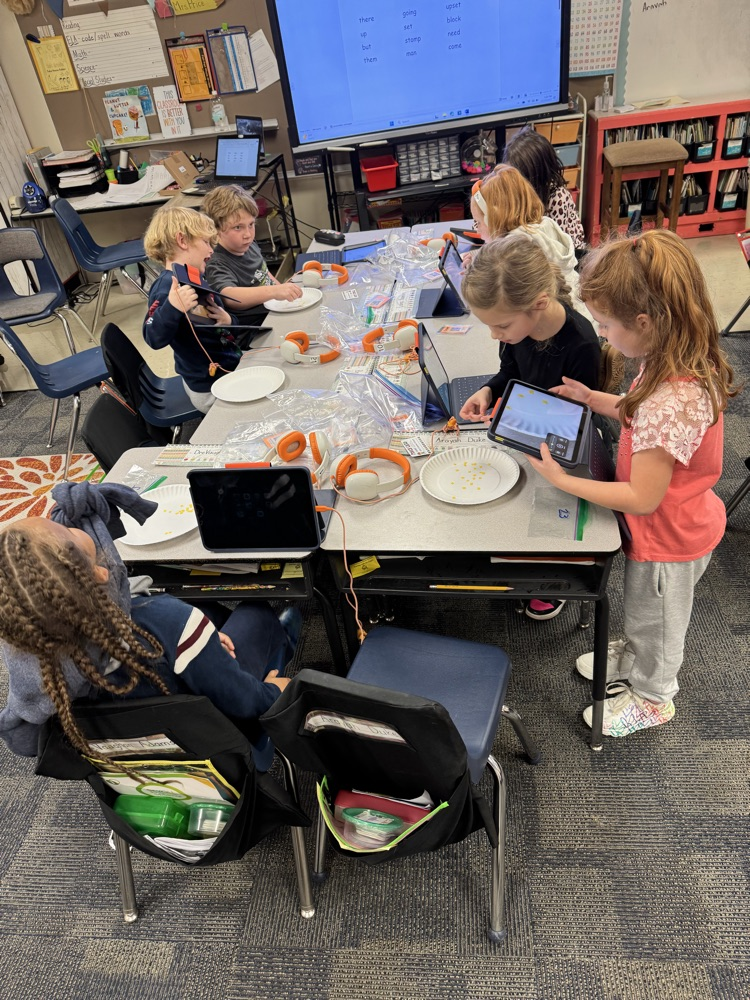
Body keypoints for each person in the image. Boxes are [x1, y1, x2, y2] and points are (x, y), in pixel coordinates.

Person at [526, 229, 737, 737]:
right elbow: (639, 413)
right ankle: (638, 653)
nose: (600, 334)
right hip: (669, 526)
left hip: (669, 539)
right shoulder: (670, 361)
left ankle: (654, 694)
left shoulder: (672, 398)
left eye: (605, 324)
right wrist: (594, 398)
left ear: (643, 322)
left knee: (658, 620)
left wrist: (564, 481)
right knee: (645, 611)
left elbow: (642, 497)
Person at [0, 482, 300, 769]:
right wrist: (274, 693)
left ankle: (211, 644)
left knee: (207, 612)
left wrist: (198, 639)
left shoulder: (33, 656)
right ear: (100, 574)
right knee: (256, 612)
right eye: (66, 529)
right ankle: (282, 641)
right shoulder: (167, 619)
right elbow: (243, 699)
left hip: (141, 760)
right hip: (225, 749)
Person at [459, 233, 601, 621]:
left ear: (538, 304)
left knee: (540, 513)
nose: (495, 335)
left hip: (563, 444)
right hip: (525, 429)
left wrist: (525, 417)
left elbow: (582, 420)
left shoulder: (581, 344)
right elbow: (511, 370)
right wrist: (489, 390)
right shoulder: (516, 330)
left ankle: (551, 575)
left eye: (500, 326)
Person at [143, 205, 241, 414]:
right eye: (206, 242)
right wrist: (173, 307)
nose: (211, 250)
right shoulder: (166, 289)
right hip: (209, 387)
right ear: (182, 240)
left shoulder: (195, 279)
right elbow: (153, 337)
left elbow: (220, 328)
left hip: (229, 366)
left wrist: (228, 320)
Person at [470, 164, 585, 313]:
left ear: (493, 219)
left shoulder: (517, 248)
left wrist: (475, 269)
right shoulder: (543, 225)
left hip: (561, 316)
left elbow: (499, 289)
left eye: (478, 222)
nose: (477, 229)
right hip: (579, 308)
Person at [202, 184, 302, 325]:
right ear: (216, 229)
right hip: (257, 324)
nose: (248, 234)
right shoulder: (216, 262)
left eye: (251, 224)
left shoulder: (248, 244)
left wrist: (282, 290)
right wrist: (274, 291)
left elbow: (264, 273)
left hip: (274, 310)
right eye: (238, 227)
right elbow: (229, 296)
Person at [502, 126, 586, 250]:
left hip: (567, 254)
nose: (513, 182)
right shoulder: (515, 189)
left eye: (518, 177)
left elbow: (558, 249)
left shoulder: (557, 198)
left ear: (535, 175)